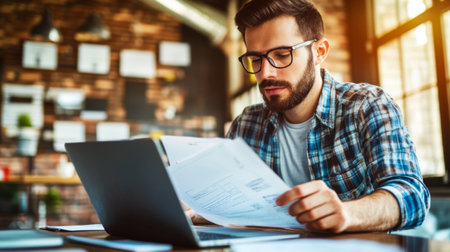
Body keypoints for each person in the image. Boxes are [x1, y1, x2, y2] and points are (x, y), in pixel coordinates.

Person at [224, 0, 429, 233]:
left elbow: (413, 197)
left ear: (319, 52)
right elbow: (226, 203)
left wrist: (348, 213)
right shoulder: (246, 125)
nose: (265, 73)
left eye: (281, 55)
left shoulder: (367, 106)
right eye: (256, 60)